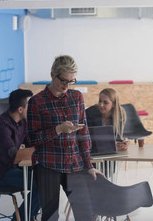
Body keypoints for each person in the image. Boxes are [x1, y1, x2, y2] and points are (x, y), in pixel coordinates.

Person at [27, 55, 104, 221]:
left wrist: (88, 165)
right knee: (51, 216)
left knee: (86, 214)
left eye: (72, 81)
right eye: (63, 81)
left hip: (74, 164)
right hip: (48, 165)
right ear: (52, 74)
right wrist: (58, 129)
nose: (67, 86)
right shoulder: (37, 102)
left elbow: (83, 133)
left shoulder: (76, 97)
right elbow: (32, 139)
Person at [0, 89, 40, 221]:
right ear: (21, 109)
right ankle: (20, 219)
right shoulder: (0, 125)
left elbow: (31, 144)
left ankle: (24, 217)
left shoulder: (23, 123)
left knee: (48, 175)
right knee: (42, 182)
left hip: (14, 168)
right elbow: (14, 156)